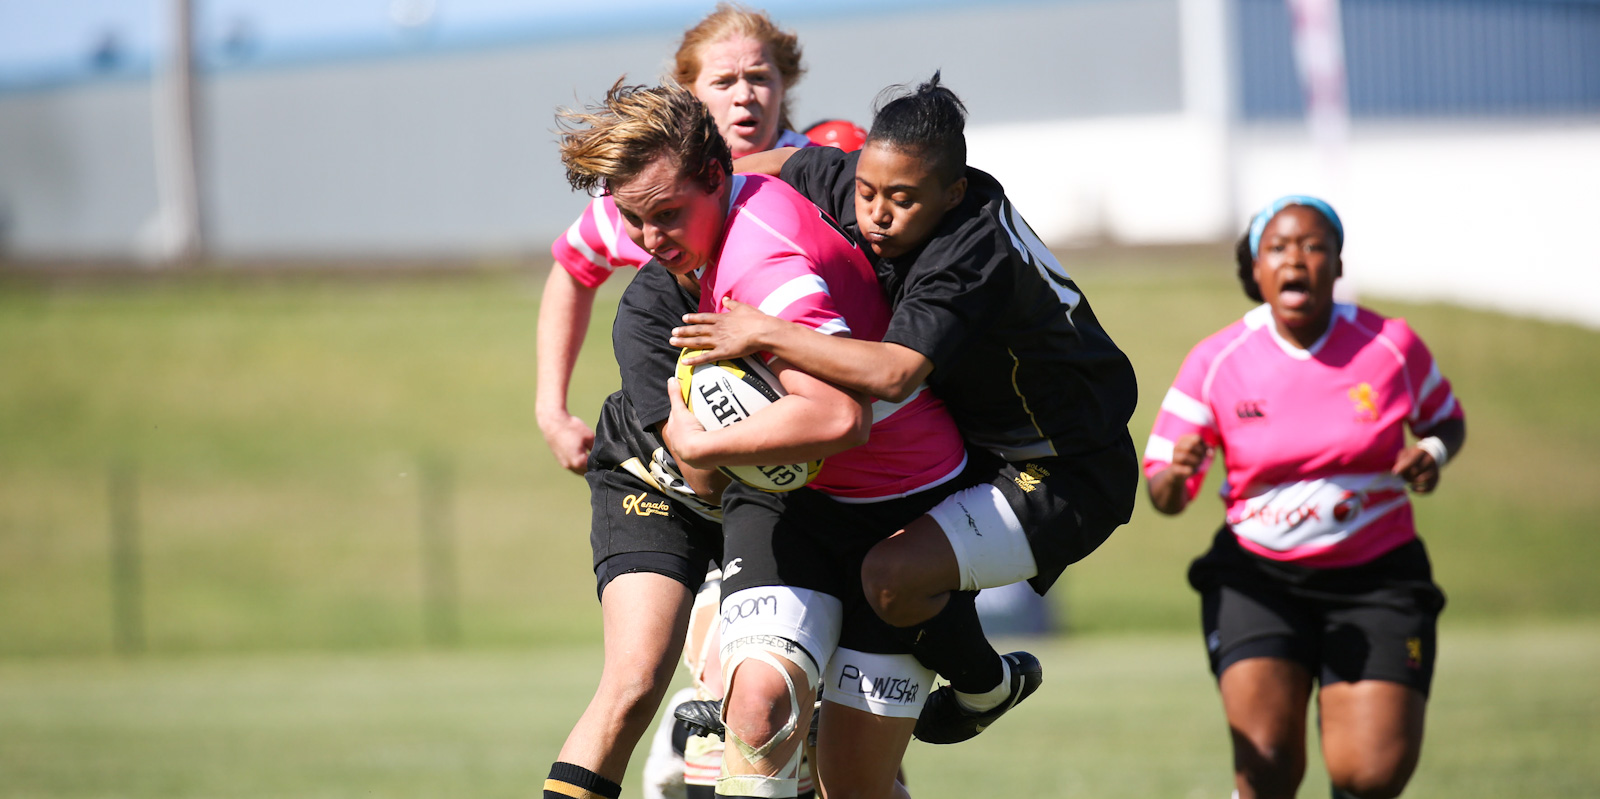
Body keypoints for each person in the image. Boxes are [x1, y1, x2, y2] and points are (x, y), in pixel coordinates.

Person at [559, 79, 1015, 799]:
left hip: (899, 511)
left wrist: (704, 446)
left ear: (716, 177)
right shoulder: (706, 246)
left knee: (856, 784)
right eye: (633, 220)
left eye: (667, 214)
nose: (650, 239)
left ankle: (984, 682)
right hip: (797, 507)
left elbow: (840, 419)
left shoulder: (759, 264)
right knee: (756, 711)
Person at [669, 74, 1139, 743]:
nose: (877, 215)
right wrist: (692, 203)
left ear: (953, 193)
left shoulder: (970, 251)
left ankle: (987, 686)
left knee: (891, 578)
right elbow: (780, 162)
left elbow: (894, 374)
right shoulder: (866, 180)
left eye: (902, 200)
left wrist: (765, 330)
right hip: (984, 448)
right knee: (865, 560)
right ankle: (779, 695)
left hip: (1067, 469)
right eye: (868, 191)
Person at [1143, 196, 1465, 799]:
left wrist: (1432, 452)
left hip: (1378, 579)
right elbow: (1163, 491)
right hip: (1258, 581)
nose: (1297, 259)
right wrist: (1174, 476)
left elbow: (1447, 419)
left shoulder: (1390, 344)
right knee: (1266, 765)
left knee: (1370, 776)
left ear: (1338, 265)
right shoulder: (1216, 360)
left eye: (1315, 247)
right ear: (1256, 269)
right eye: (1279, 248)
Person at [537, 3, 814, 475]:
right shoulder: (639, 200)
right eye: (724, 82)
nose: (744, 95)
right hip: (701, 449)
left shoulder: (820, 175)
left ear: (784, 84)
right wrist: (552, 411)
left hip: (814, 430)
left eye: (760, 77)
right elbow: (572, 271)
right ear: (689, 94)